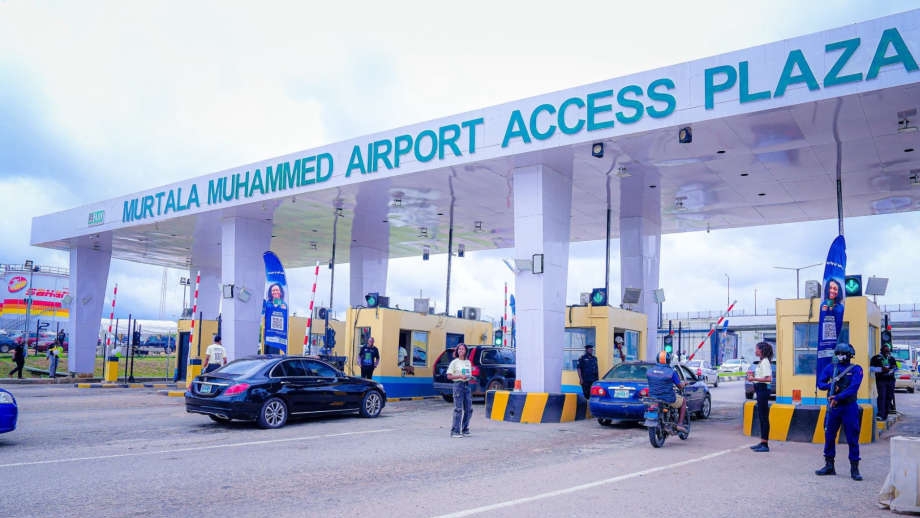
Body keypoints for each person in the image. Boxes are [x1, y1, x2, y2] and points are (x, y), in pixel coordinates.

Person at [815, 342, 864, 481]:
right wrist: (831, 386)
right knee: (829, 435)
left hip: (849, 407)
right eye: (838, 353)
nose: (841, 356)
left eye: (843, 354)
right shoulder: (831, 368)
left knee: (852, 437)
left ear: (850, 355)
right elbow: (820, 384)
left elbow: (854, 388)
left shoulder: (856, 369)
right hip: (833, 408)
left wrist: (838, 397)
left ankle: (854, 468)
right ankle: (829, 465)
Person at [646, 351, 688, 433]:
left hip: (653, 398)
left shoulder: (649, 371)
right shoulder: (672, 372)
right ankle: (680, 424)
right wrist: (684, 384)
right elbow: (679, 386)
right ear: (669, 360)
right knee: (683, 401)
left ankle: (664, 424)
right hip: (668, 398)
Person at [747, 342, 774, 452]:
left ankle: (765, 445)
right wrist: (753, 377)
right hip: (760, 389)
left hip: (763, 390)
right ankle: (762, 442)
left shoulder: (765, 362)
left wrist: (753, 379)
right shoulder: (762, 362)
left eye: (757, 349)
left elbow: (768, 379)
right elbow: (762, 376)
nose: (755, 351)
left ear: (761, 350)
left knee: (764, 418)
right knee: (762, 417)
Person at [446, 343, 473, 438]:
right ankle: (455, 431)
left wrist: (469, 377)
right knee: (458, 409)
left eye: (463, 349)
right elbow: (449, 376)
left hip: (467, 385)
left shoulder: (468, 362)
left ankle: (465, 429)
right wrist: (459, 376)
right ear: (457, 351)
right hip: (458, 385)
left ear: (466, 351)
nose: (461, 350)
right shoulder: (454, 362)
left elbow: (469, 374)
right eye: (459, 349)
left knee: (469, 409)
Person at [869, 343, 895, 421]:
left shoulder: (891, 358)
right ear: (881, 350)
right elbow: (871, 368)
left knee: (889, 397)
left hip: (891, 381)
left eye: (888, 351)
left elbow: (895, 368)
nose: (887, 352)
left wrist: (891, 370)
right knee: (882, 397)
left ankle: (886, 414)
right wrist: (881, 369)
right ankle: (880, 414)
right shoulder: (876, 358)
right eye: (885, 351)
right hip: (881, 381)